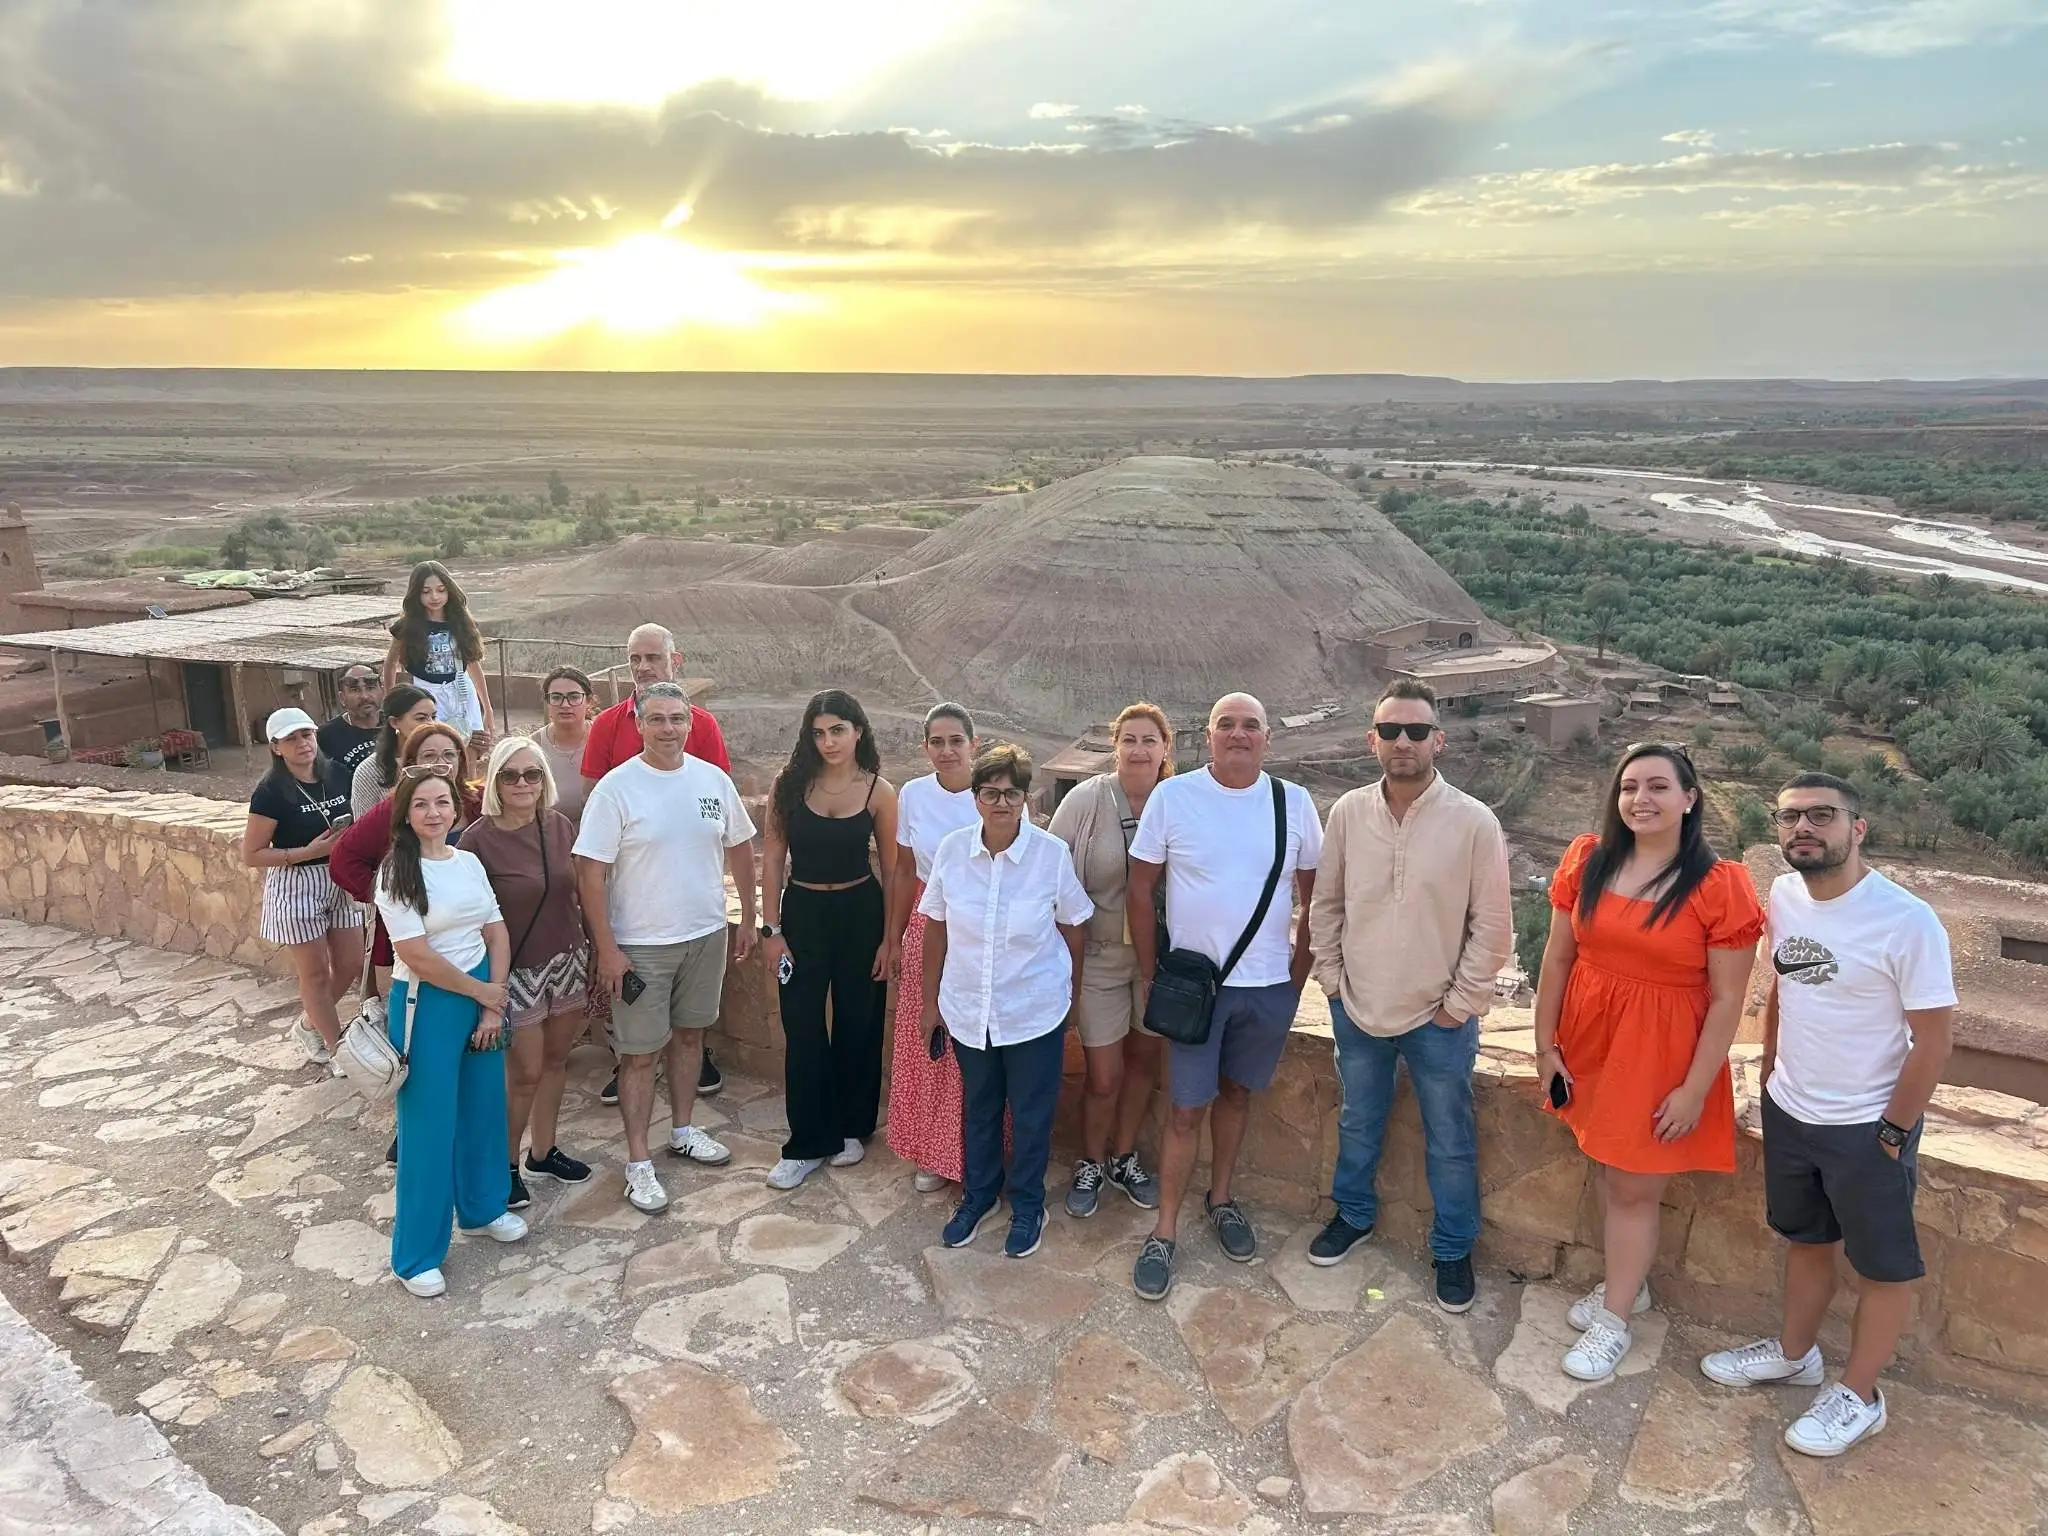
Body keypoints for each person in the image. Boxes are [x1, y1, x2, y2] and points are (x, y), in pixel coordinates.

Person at [1700, 773, 1956, 1457]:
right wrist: (1772, 1068)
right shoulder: (1784, 896)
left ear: (1857, 827)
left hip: (1867, 1125)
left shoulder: (1906, 921)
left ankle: (1861, 1394)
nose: (1803, 829)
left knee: (1883, 1269)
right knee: (1807, 1240)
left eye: (1821, 815)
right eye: (1789, 818)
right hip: (1791, 1111)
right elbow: (1782, 987)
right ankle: (1793, 1355)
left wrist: (1895, 1131)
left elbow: (1933, 1040)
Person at [1534, 743, 1762, 1382]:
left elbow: (1725, 1001)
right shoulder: (1588, 861)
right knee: (1609, 1170)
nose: (1641, 799)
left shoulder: (1720, 888)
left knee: (1634, 1187)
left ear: (1690, 799)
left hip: (1661, 1057)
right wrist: (1546, 1045)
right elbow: (1557, 960)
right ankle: (1627, 1290)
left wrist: (1693, 1091)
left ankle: (1615, 1320)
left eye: (1659, 786)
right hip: (1591, 1044)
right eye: (1630, 786)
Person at [1305, 680, 1514, 1312]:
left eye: (1416, 731)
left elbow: (1493, 924)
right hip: (1357, 1006)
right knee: (1358, 1119)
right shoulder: (1347, 813)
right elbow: (1328, 902)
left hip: (1438, 1016)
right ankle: (1354, 1214)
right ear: (1372, 740)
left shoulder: (1474, 821)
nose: (1403, 741)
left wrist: (1460, 1003)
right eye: (1390, 730)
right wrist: (1333, 980)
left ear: (1437, 741)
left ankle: (1452, 1248)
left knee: (1449, 1136)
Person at [1126, 692, 1322, 1302]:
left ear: (1267, 737)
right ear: (1208, 736)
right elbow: (1139, 887)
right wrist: (1151, 969)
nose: (1239, 735)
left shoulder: (1294, 804)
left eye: (1251, 726)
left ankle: (1222, 1198)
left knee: (1236, 1096)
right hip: (1195, 991)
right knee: (1186, 1110)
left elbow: (1316, 897)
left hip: (1265, 989)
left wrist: (1297, 972)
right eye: (1226, 725)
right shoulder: (1174, 797)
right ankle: (1164, 1230)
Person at [575, 682, 759, 1215]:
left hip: (704, 933)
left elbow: (740, 847)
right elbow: (591, 874)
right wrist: (606, 948)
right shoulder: (617, 789)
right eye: (656, 719)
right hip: (641, 945)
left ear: (690, 723)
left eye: (677, 718)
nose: (668, 729)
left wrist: (748, 917)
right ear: (637, 723)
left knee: (690, 1038)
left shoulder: (712, 781)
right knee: (637, 1056)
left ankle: (682, 1130)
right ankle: (637, 1163)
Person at [920, 745, 1092, 1259]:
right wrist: (930, 1003)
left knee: (1033, 1114)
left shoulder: (1049, 856)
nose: (1000, 803)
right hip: (969, 1009)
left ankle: (1028, 1205)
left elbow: (1074, 930)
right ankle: (978, 1197)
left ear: (1026, 798)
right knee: (980, 1108)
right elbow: (936, 928)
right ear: (975, 798)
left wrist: (1073, 1001)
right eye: (990, 793)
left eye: (1010, 793)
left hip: (1033, 1010)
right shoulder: (953, 851)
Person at [374, 766, 524, 1297]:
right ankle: (415, 1255)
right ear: (405, 815)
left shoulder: (470, 862)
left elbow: (495, 929)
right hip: (430, 1000)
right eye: (421, 805)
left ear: (456, 809)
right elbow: (414, 953)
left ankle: (483, 1209)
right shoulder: (397, 872)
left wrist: (492, 1000)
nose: (433, 813)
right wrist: (480, 993)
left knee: (484, 1107)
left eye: (442, 802)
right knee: (428, 1127)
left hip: (482, 993)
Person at [581, 623, 732, 1103]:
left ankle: (692, 1062)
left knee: (690, 1020)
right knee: (635, 1025)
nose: (643, 667)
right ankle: (627, 1062)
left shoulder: (703, 725)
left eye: (653, 658)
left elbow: (715, 801)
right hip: (635, 899)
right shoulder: (607, 724)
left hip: (693, 906)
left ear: (675, 660)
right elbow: (594, 806)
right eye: (635, 660)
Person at [759, 690, 898, 1191]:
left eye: (837, 729)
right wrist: (770, 929)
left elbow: (893, 869)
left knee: (859, 1023)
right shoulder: (789, 786)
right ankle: (806, 1142)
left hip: (861, 912)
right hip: (802, 914)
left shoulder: (879, 791)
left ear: (858, 731)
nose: (828, 741)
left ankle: (851, 1128)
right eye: (818, 732)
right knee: (803, 1027)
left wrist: (890, 940)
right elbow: (773, 860)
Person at [1047, 703, 1171, 1217]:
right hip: (1098, 958)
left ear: (1167, 748)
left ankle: (1123, 1157)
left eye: (1150, 740)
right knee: (1103, 1075)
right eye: (1130, 740)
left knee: (1144, 1064)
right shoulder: (1087, 800)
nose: (1139, 750)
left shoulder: (1178, 802)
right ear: (1115, 746)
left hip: (1159, 962)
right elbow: (1050, 870)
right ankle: (1091, 1161)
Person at [463, 737, 593, 1213]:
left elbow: (580, 891)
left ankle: (543, 1152)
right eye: (510, 775)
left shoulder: (560, 827)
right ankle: (505, 1164)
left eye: (532, 774)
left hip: (566, 962)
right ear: (495, 781)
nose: (522, 783)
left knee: (558, 1062)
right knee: (524, 1075)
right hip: (514, 972)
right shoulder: (476, 840)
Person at [884, 703, 984, 1194]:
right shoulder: (914, 795)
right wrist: (896, 935)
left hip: (978, 928)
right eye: (936, 742)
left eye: (955, 742)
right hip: (927, 922)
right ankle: (931, 1149)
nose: (946, 751)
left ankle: (972, 1149)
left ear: (973, 744)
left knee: (974, 1038)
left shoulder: (993, 792)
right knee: (929, 1037)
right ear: (925, 748)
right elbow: (904, 870)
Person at [241, 708, 363, 1064]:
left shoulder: (338, 774)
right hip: (297, 882)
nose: (302, 743)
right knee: (314, 973)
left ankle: (310, 1023)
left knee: (351, 962)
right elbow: (252, 854)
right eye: (291, 738)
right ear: (276, 747)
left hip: (340, 876)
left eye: (306, 735)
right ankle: (334, 1046)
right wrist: (308, 852)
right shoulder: (271, 793)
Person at [332, 723, 481, 998]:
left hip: (468, 935)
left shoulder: (478, 801)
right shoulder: (395, 809)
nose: (441, 764)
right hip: (413, 940)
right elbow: (343, 859)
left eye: (449, 755)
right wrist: (394, 894)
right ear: (411, 763)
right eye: (429, 756)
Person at [381, 560, 493, 747]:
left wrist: (487, 708)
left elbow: (473, 664)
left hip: (461, 690)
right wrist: (390, 702)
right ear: (416, 594)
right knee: (434, 745)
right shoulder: (407, 627)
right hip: (426, 693)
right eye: (426, 591)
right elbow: (390, 663)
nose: (434, 596)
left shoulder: (460, 623)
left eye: (441, 590)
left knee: (471, 744)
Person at [526, 666, 597, 826]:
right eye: (556, 697)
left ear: (589, 701)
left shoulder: (605, 739)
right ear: (547, 702)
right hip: (548, 840)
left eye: (574, 697)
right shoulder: (532, 748)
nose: (565, 705)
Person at [351, 686, 438, 817]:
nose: (431, 724)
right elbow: (363, 830)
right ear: (394, 722)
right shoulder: (369, 770)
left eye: (433, 717)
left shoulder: (441, 758)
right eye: (421, 718)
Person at [317, 665, 383, 776]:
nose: (365, 696)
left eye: (370, 688)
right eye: (355, 690)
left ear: (382, 691)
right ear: (342, 698)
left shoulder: (396, 725)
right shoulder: (325, 736)